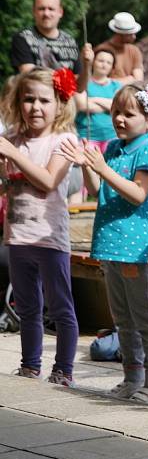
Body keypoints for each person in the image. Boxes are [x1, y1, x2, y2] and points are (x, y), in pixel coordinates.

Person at [61, 82, 148, 406]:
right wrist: (87, 164)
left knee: (146, 318)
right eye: (116, 113)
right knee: (122, 319)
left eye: (129, 113)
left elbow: (138, 193)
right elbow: (99, 190)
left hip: (136, 250)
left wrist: (101, 168)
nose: (120, 119)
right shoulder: (113, 148)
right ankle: (132, 377)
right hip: (112, 246)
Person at [2, 68, 79, 387]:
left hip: (51, 239)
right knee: (28, 307)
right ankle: (30, 365)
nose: (35, 106)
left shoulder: (63, 140)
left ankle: (63, 369)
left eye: (44, 100)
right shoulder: (12, 140)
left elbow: (48, 181)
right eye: (28, 99)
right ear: (18, 103)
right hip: (18, 236)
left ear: (59, 104)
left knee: (60, 307)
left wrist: (13, 155)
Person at [10, 0, 82, 74]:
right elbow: (29, 77)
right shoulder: (23, 38)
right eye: (41, 9)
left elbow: (79, 82)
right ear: (34, 11)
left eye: (51, 9)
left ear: (60, 12)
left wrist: (88, 64)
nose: (46, 13)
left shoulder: (70, 41)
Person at [74, 47, 121, 151]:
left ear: (112, 67)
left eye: (109, 62)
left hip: (112, 137)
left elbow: (119, 107)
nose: (104, 64)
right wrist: (109, 104)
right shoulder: (82, 82)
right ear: (93, 61)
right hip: (86, 137)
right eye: (101, 60)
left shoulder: (116, 85)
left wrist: (93, 99)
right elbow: (82, 105)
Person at [95, 12, 144, 84]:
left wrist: (113, 82)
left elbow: (138, 80)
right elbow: (98, 80)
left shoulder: (134, 51)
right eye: (130, 34)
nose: (134, 37)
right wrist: (130, 79)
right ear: (121, 34)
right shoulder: (101, 50)